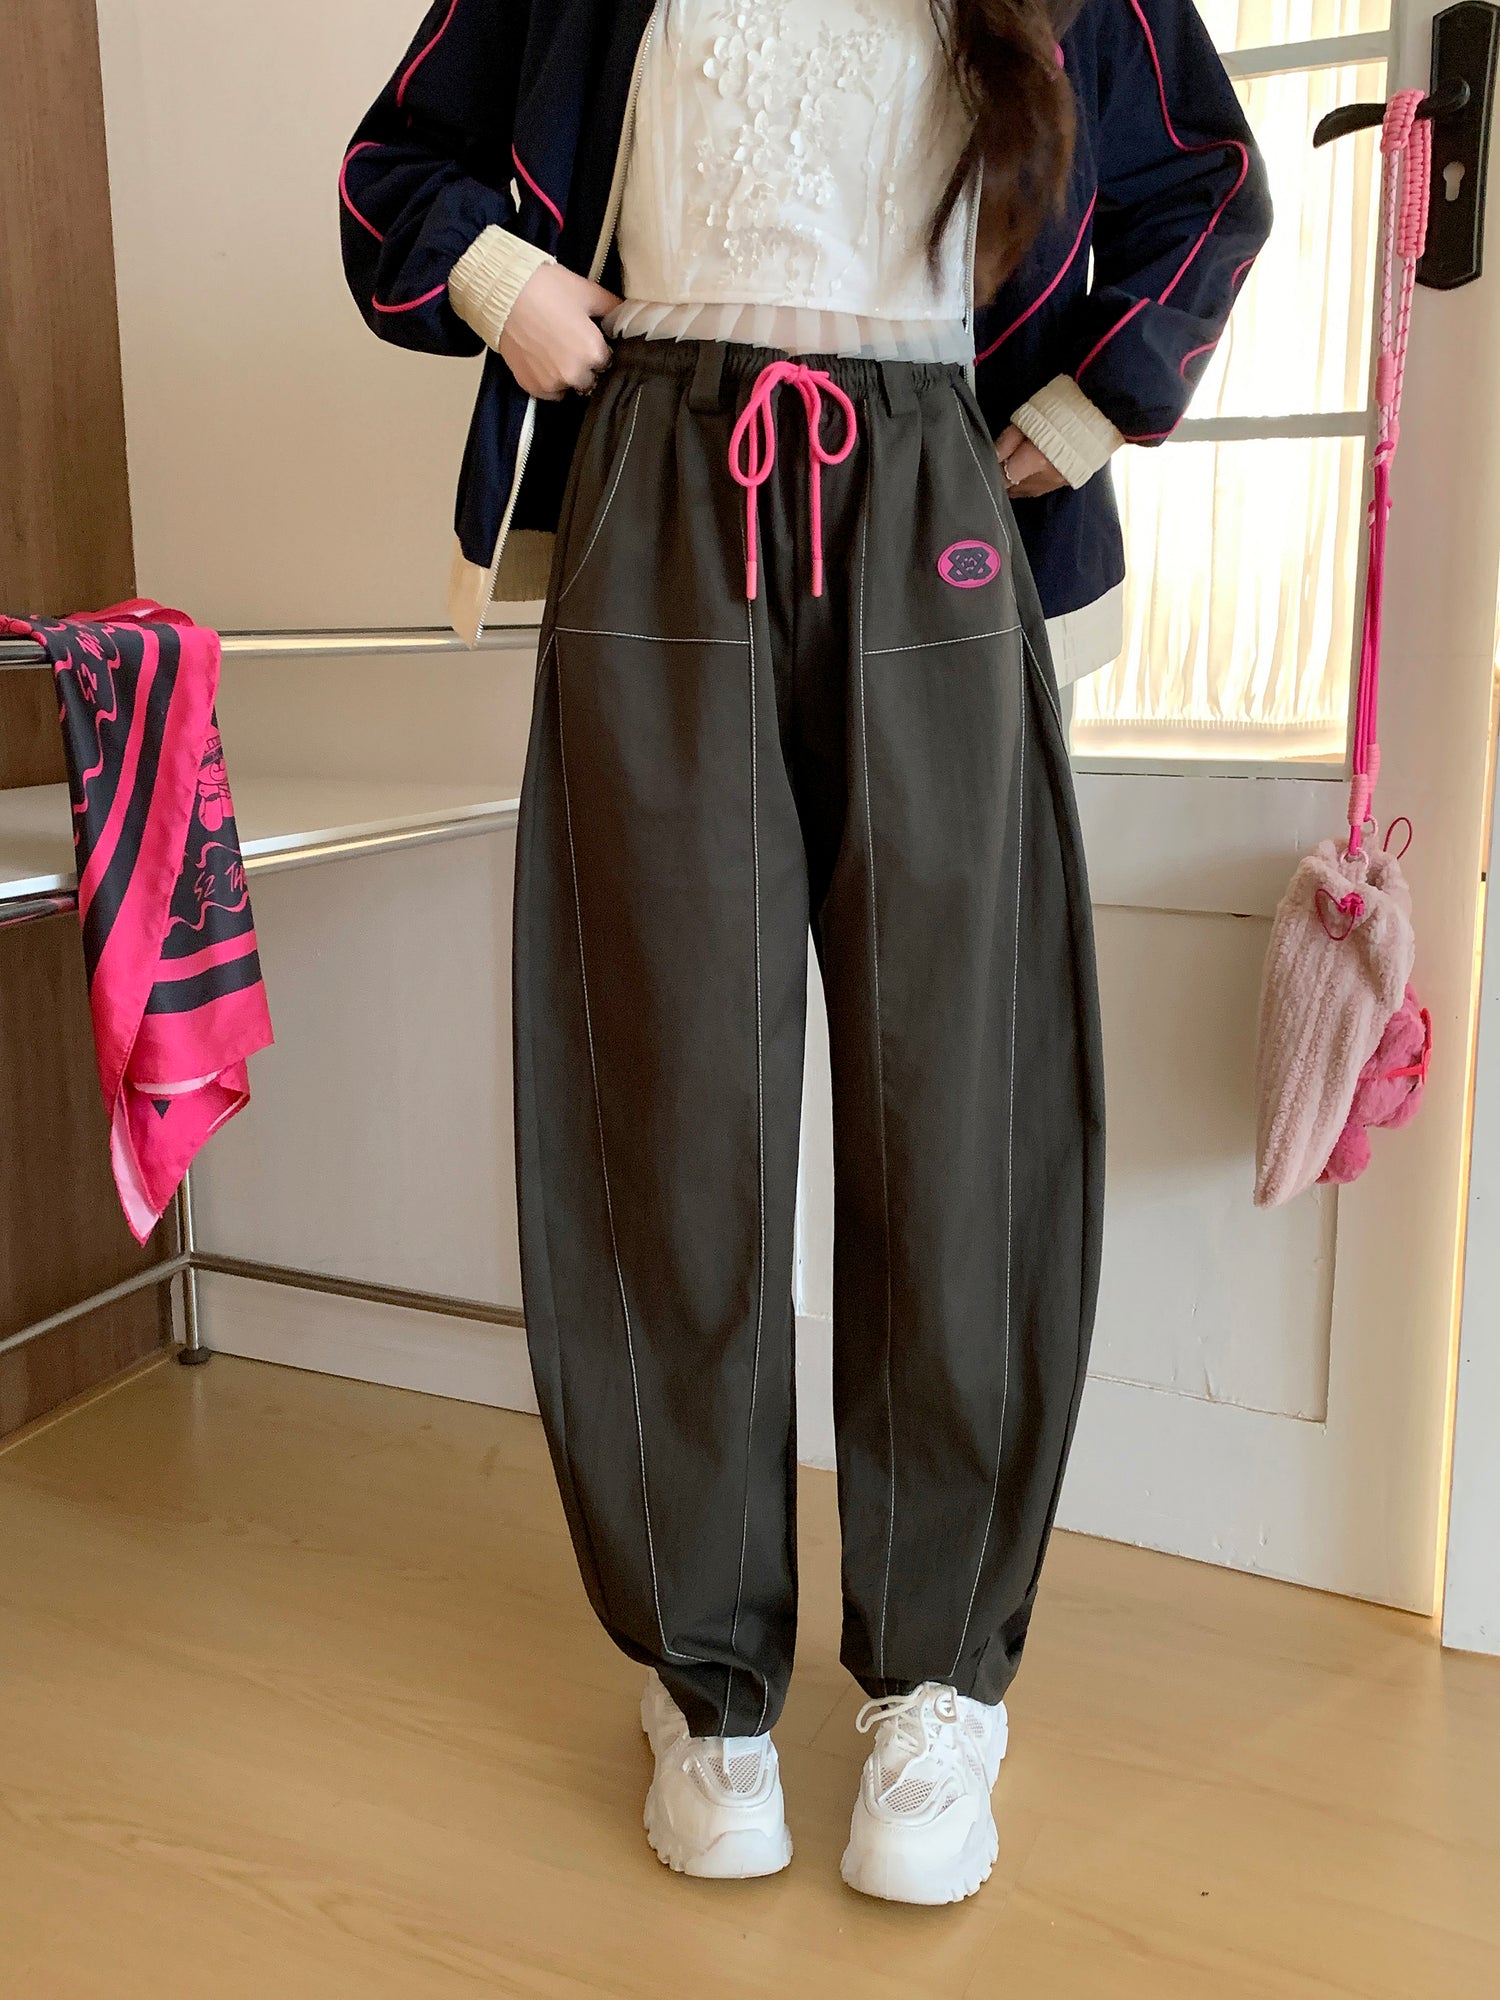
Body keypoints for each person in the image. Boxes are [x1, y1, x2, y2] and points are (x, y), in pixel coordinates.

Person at [342, 0, 1269, 1907]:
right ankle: (709, 1683)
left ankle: (941, 1681)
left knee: (960, 1100)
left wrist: (1083, 407)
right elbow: (391, 173)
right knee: (671, 1087)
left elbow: (1209, 184)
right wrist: (505, 284)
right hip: (658, 472)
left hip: (937, 476)